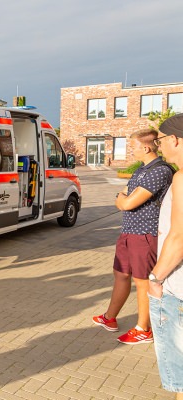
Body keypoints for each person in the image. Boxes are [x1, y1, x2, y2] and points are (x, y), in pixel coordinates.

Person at [92, 128, 173, 344]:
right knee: (120, 274)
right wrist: (123, 199)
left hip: (145, 234)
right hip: (128, 232)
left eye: (133, 147)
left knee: (143, 281)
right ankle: (110, 318)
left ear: (146, 147)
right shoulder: (140, 170)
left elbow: (127, 201)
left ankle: (143, 329)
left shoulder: (160, 171)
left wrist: (122, 199)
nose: (131, 151)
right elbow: (126, 197)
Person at [148, 114, 183, 398]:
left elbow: (179, 237)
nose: (158, 147)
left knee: (180, 377)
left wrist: (155, 278)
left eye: (159, 140)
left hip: (177, 288)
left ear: (174, 139)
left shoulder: (182, 178)